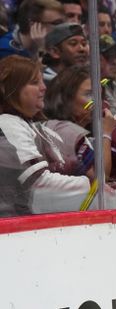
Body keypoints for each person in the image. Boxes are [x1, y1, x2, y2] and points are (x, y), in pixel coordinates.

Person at [0, 55, 92, 215]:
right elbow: (38, 184)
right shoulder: (8, 123)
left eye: (42, 81)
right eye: (34, 82)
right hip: (16, 230)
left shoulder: (24, 124)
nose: (43, 87)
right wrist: (91, 186)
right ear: (12, 89)